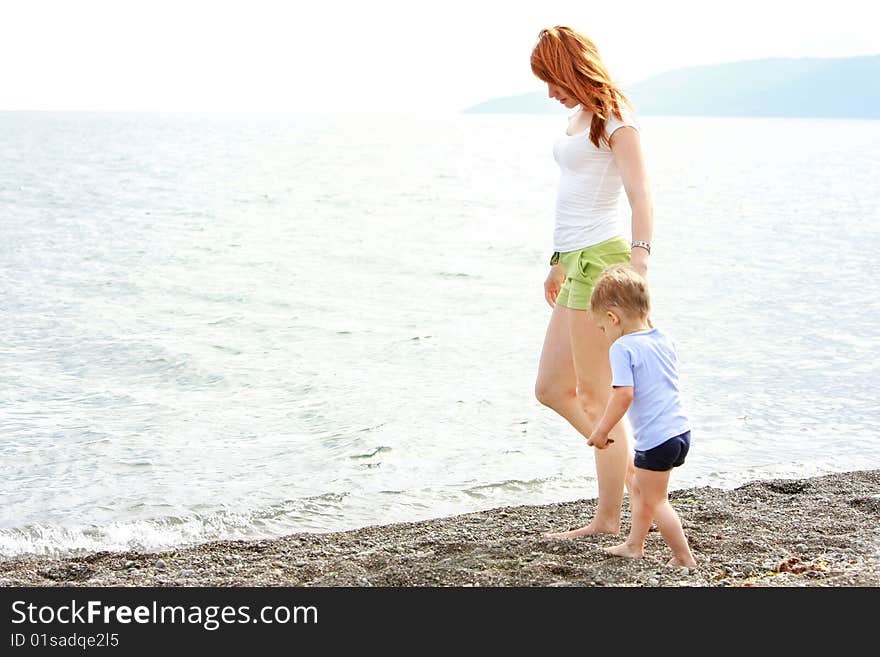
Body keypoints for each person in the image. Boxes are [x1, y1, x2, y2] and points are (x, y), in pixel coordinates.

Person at [531, 26, 654, 537]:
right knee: (552, 388)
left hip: (605, 263)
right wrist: (557, 259)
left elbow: (640, 192)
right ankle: (632, 480)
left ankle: (609, 518)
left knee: (596, 398)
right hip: (576, 260)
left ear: (571, 67)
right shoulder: (578, 118)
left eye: (552, 79)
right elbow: (574, 195)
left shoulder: (614, 116)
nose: (550, 91)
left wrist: (639, 261)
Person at [587, 264, 697, 568]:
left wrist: (601, 430)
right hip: (679, 432)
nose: (604, 334)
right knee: (638, 486)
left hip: (656, 439)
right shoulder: (663, 338)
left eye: (602, 328)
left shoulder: (622, 348)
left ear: (612, 318)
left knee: (656, 500)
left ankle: (683, 557)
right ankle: (634, 545)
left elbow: (623, 395)